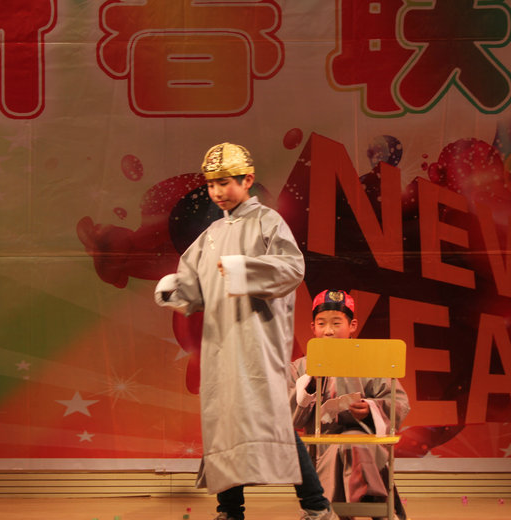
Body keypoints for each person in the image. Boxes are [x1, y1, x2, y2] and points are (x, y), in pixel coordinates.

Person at [155, 143, 339, 520]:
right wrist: (176, 290)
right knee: (224, 424)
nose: (217, 191)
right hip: (220, 342)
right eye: (211, 185)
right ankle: (230, 510)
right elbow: (194, 286)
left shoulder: (267, 222)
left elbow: (291, 269)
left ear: (247, 180)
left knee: (273, 422)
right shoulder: (211, 234)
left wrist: (243, 270)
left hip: (257, 341)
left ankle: (317, 507)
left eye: (225, 182)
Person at [289, 290, 411, 520]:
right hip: (319, 446)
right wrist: (310, 385)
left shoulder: (372, 361)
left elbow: (399, 402)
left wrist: (370, 409)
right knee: (339, 449)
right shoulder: (300, 367)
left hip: (365, 440)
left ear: (352, 325)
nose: (329, 331)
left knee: (353, 443)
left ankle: (339, 510)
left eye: (336, 323)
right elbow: (288, 416)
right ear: (313, 327)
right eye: (321, 324)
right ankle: (375, 508)